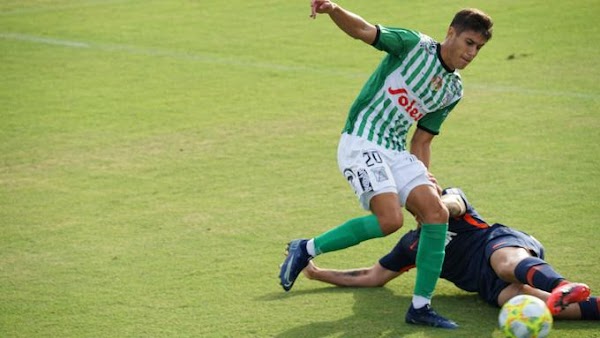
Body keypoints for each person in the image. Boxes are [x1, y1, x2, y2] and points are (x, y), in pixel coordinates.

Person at [279, 1, 493, 329]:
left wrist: (426, 176)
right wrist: (333, 9)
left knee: (435, 213)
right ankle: (306, 248)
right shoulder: (413, 45)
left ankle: (420, 307)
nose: (472, 53)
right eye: (468, 43)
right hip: (362, 140)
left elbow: (421, 140)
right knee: (390, 219)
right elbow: (365, 30)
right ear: (451, 33)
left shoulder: (453, 89)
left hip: (395, 150)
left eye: (478, 48)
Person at [301, 187, 598, 321]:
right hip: (488, 285)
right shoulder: (411, 245)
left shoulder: (452, 203)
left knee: (505, 263)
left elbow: (453, 203)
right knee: (528, 303)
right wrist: (317, 273)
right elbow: (373, 275)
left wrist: (438, 204)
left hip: (499, 243)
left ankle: (560, 283)